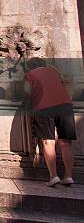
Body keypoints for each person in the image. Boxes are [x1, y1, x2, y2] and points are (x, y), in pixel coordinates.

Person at [23, 58, 77, 187]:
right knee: (66, 142)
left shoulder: (29, 75)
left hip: (44, 107)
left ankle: (54, 176)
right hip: (65, 105)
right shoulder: (55, 71)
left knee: (48, 141)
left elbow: (27, 92)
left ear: (30, 67)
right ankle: (68, 176)